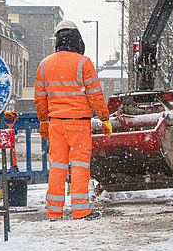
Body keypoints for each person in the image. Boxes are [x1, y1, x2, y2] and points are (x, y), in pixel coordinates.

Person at [34, 20, 113, 221]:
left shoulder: (45, 65)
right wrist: (104, 118)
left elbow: (40, 99)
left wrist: (43, 122)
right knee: (79, 166)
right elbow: (95, 93)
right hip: (78, 122)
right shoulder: (83, 63)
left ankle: (54, 211)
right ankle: (80, 210)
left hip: (55, 123)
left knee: (57, 166)